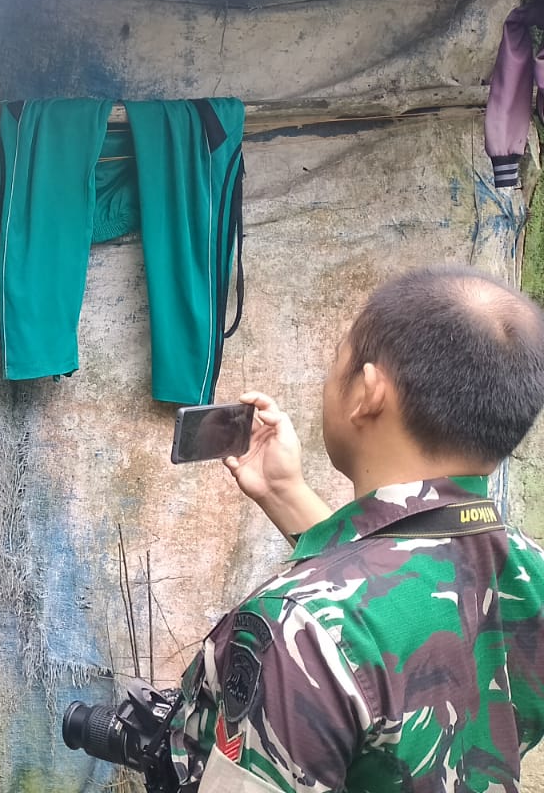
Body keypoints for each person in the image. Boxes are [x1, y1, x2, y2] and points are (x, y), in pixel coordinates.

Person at [170, 265, 544, 792]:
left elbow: (356, 607)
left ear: (369, 392)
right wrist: (283, 491)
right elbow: (400, 574)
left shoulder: (296, 631)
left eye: (336, 360)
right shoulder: (530, 571)